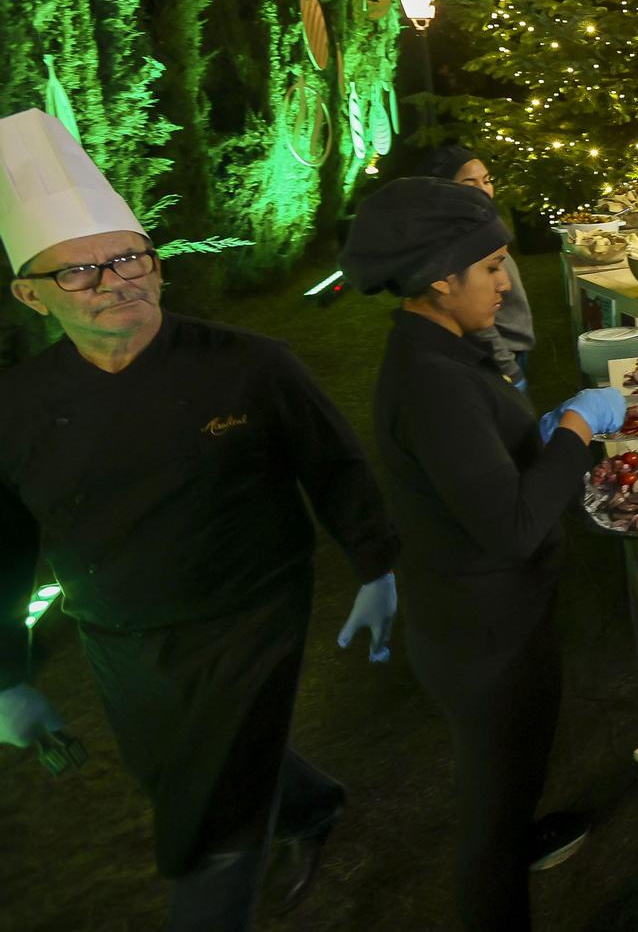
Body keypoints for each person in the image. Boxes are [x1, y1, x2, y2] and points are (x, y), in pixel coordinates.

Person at [0, 109, 398, 928]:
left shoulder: (251, 366)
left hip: (252, 608)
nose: (116, 281)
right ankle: (311, 803)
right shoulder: (15, 408)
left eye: (128, 257)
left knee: (211, 807)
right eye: (78, 273)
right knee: (169, 765)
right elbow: (2, 548)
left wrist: (378, 566)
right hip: (117, 628)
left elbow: (335, 468)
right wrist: (7, 675)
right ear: (29, 294)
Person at [341, 178, 626, 932]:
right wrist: (575, 427)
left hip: (493, 614)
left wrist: (532, 440)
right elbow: (512, 525)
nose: (506, 284)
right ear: (442, 276)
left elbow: (481, 470)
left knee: (514, 780)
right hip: (484, 633)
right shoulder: (432, 378)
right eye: (493, 267)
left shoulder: (441, 347)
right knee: (492, 815)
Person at [423, 146, 535, 387]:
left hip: (514, 346)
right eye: (470, 182)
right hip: (498, 353)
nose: (483, 190)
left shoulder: (483, 225)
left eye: (487, 180)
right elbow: (474, 314)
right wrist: (507, 367)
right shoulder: (460, 240)